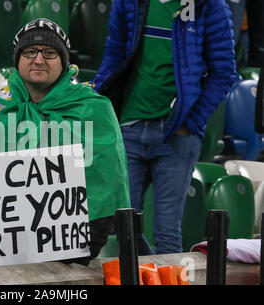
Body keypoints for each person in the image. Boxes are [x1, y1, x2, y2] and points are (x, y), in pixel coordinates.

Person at [93, 0, 238, 254]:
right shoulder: (128, 3)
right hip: (129, 127)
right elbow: (113, 58)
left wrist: (190, 122)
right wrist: (100, 104)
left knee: (167, 233)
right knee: (120, 226)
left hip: (177, 136)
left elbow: (223, 72)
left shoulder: (209, 6)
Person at [0, 18, 130, 265]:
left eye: (49, 53)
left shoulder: (93, 107)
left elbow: (107, 180)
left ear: (63, 62)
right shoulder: (0, 107)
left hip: (70, 246)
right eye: (30, 51)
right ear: (17, 60)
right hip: (4, 243)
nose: (39, 60)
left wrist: (86, 241)